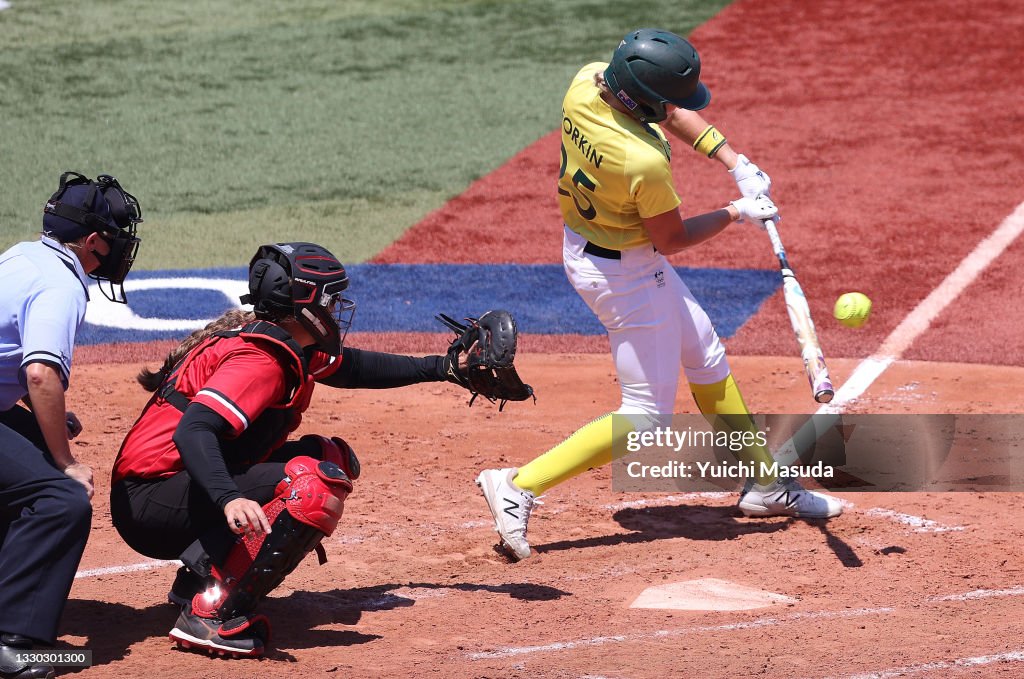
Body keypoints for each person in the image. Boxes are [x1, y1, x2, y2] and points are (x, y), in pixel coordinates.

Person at [475, 28, 842, 561]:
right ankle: (517, 485)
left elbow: (665, 108)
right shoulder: (640, 161)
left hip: (601, 249)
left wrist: (734, 162)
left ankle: (766, 486)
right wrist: (738, 212)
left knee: (706, 357)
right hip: (623, 277)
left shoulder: (587, 82)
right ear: (637, 96)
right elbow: (670, 238)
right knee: (646, 415)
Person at [109, 241, 479, 659]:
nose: (337, 307)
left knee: (327, 457)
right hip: (149, 502)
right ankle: (211, 616)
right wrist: (229, 498)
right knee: (310, 484)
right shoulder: (260, 359)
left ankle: (199, 578)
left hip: (175, 484)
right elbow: (193, 431)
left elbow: (354, 367)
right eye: (331, 298)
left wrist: (445, 368)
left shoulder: (287, 342)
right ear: (305, 303)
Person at [0, 171, 143, 679]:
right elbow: (39, 373)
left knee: (50, 429)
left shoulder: (23, 255)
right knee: (60, 499)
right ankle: (14, 648)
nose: (121, 249)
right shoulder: (61, 284)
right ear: (94, 241)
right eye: (118, 239)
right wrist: (65, 463)